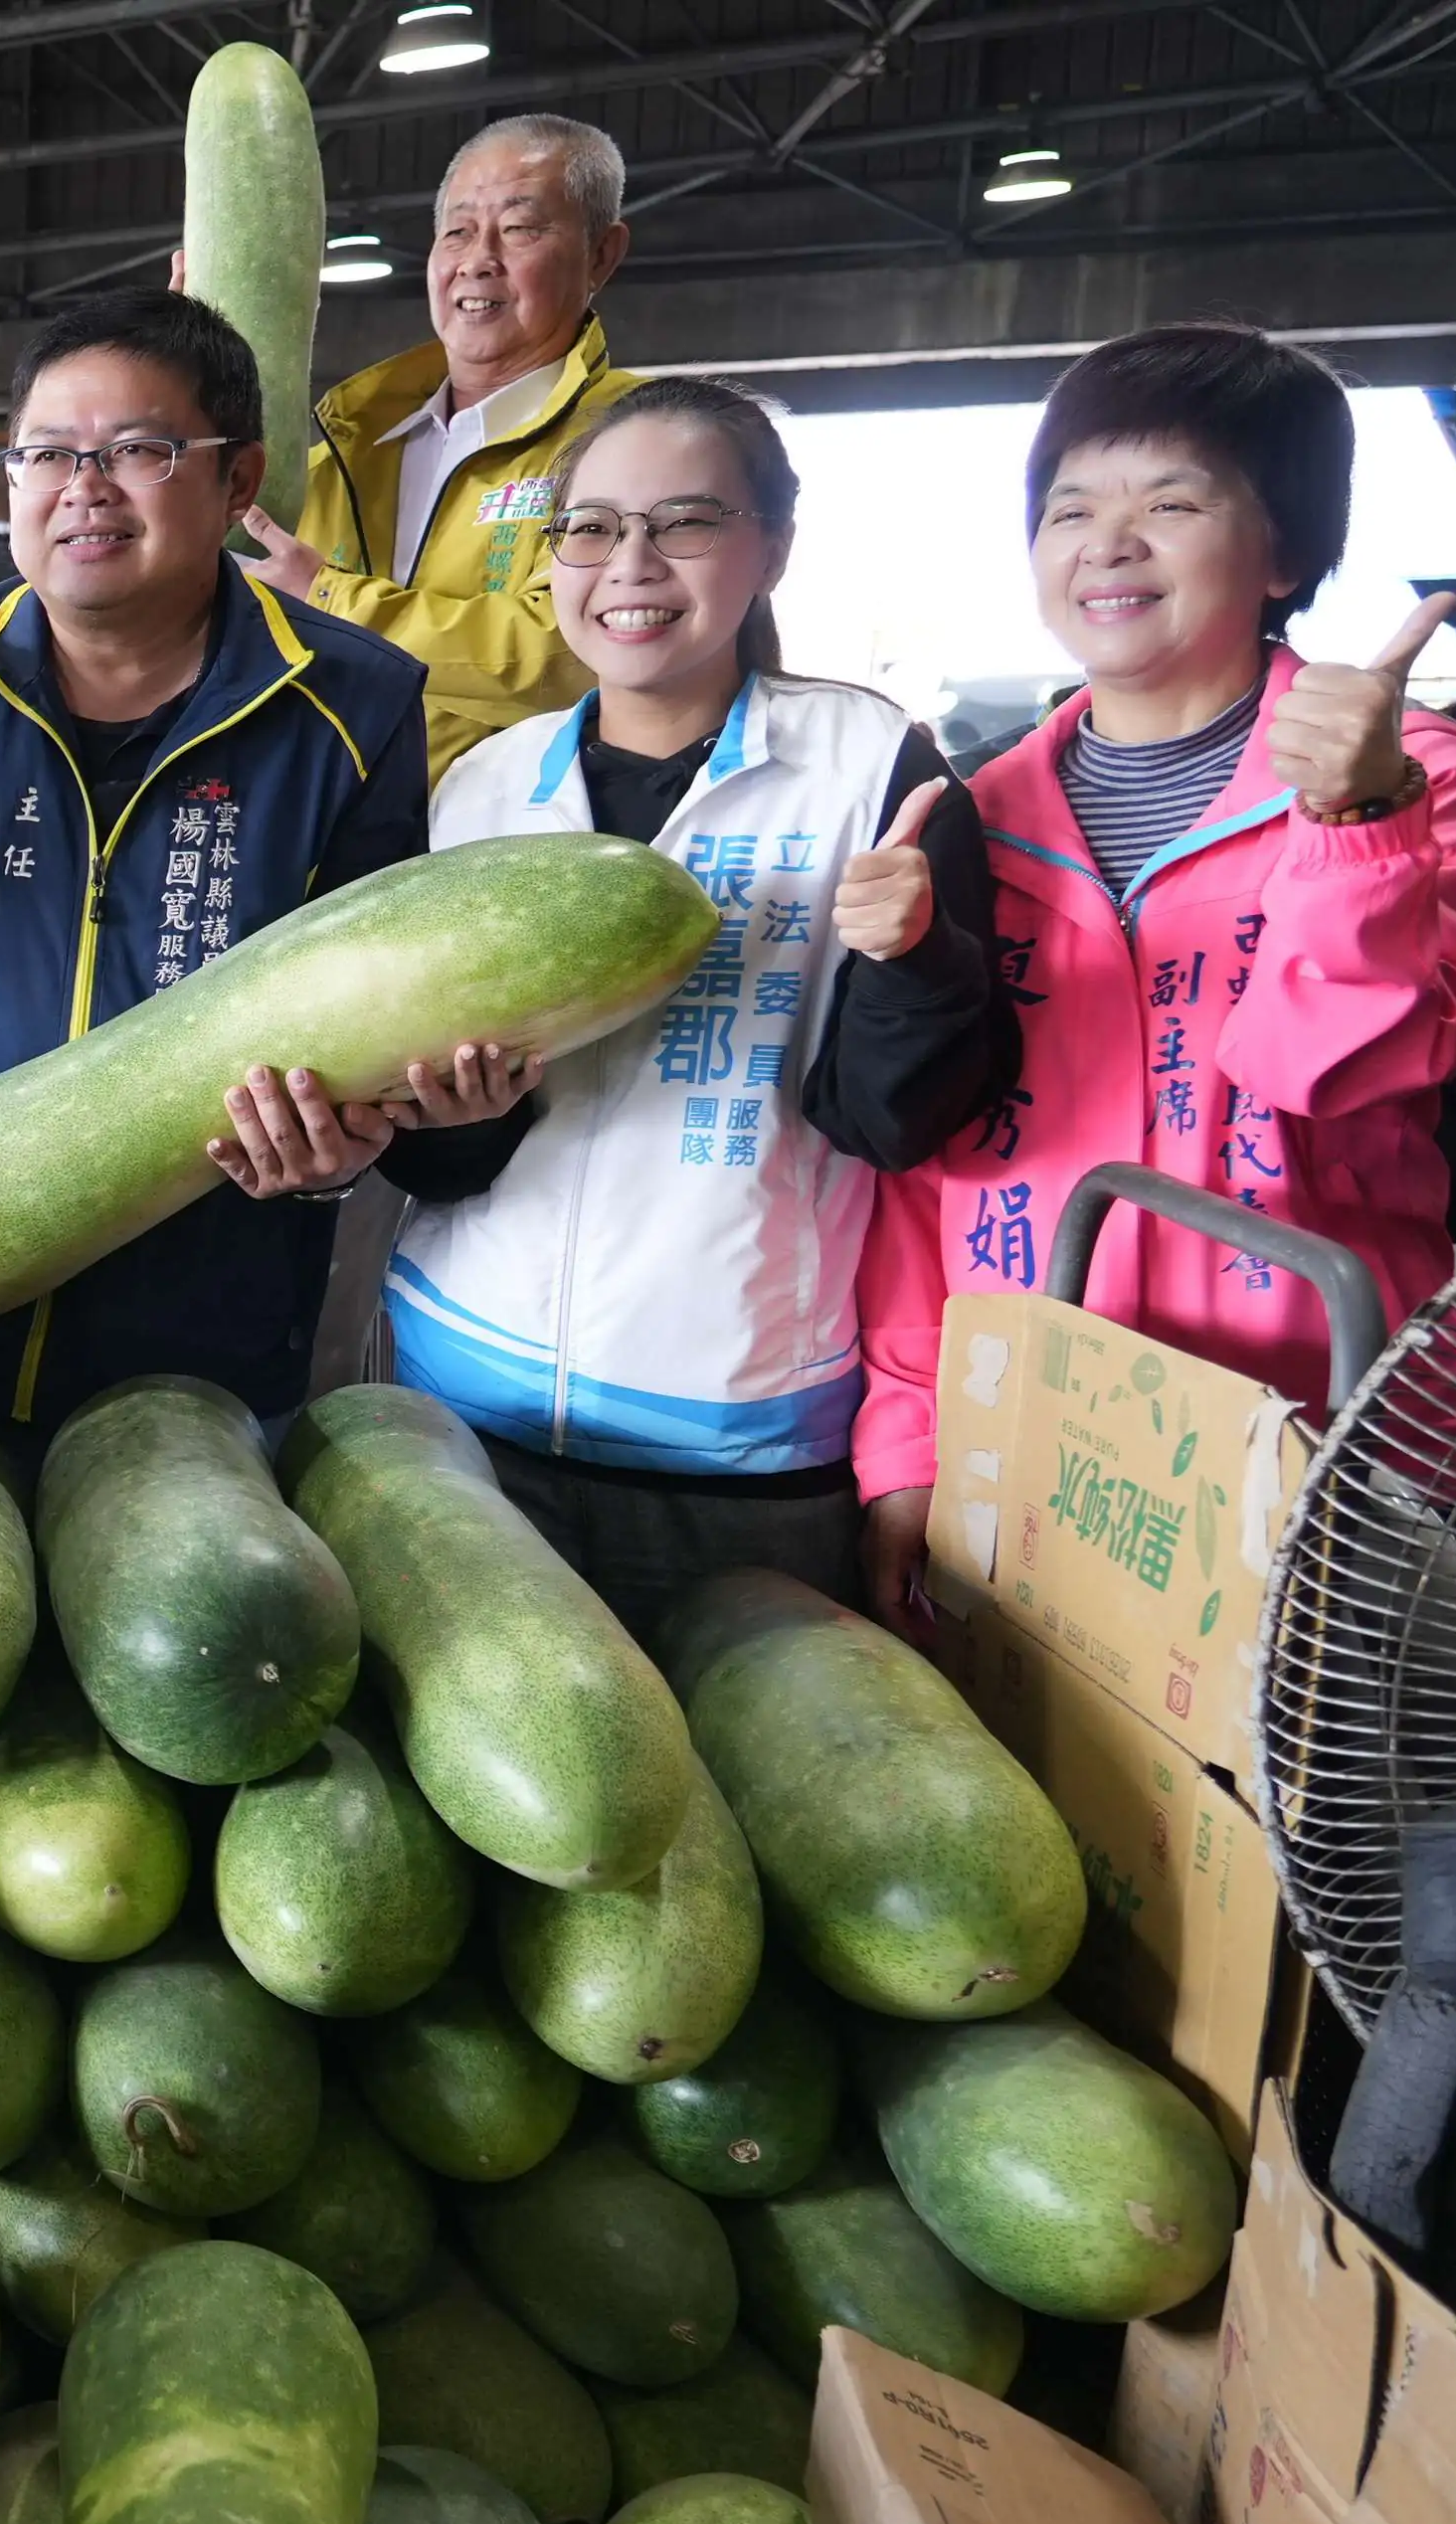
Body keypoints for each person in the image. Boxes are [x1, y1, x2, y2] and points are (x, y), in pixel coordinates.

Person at [856, 325, 1456, 1621]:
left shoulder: (1436, 782)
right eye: (1071, 508)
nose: (1107, 543)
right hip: (1041, 1449)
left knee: (1322, 1817)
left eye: (1171, 503)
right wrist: (910, 1450)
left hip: (1330, 1452)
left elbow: (1336, 1069)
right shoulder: (969, 816)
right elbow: (929, 1173)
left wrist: (1360, 825)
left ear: (1287, 553)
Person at [377, 378, 1013, 1635]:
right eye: (593, 528)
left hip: (740, 1446)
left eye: (685, 524)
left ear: (771, 546)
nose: (632, 565)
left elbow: (898, 1124)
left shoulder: (869, 770)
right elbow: (437, 1158)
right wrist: (456, 1115)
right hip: (461, 1420)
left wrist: (919, 960)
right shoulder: (485, 789)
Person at [0, 287, 460, 1440]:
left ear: (239, 481)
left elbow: (375, 1013)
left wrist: (342, 1154)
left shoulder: (356, 705)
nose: (81, 486)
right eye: (45, 453)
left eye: (138, 450)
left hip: (200, 1356)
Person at [249, 116, 646, 779]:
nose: (477, 259)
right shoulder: (343, 447)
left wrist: (329, 599)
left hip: (503, 853)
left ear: (600, 254)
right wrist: (187, 378)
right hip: (317, 834)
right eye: (457, 232)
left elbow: (572, 652)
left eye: (519, 229)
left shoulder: (633, 435)